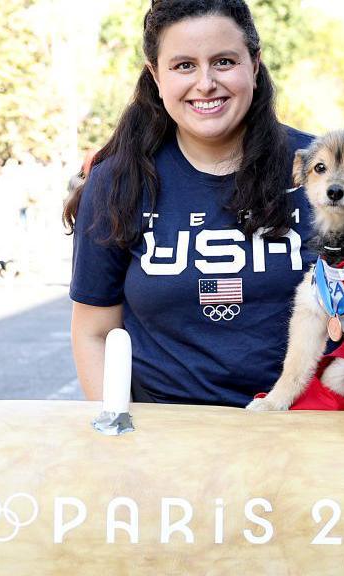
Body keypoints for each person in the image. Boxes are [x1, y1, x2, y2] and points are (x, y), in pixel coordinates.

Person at [64, 0, 315, 406]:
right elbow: (94, 332)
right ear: (156, 76)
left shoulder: (319, 170)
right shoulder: (116, 182)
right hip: (164, 440)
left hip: (303, 430)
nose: (205, 83)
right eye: (183, 66)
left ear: (254, 64)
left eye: (223, 62)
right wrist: (116, 435)